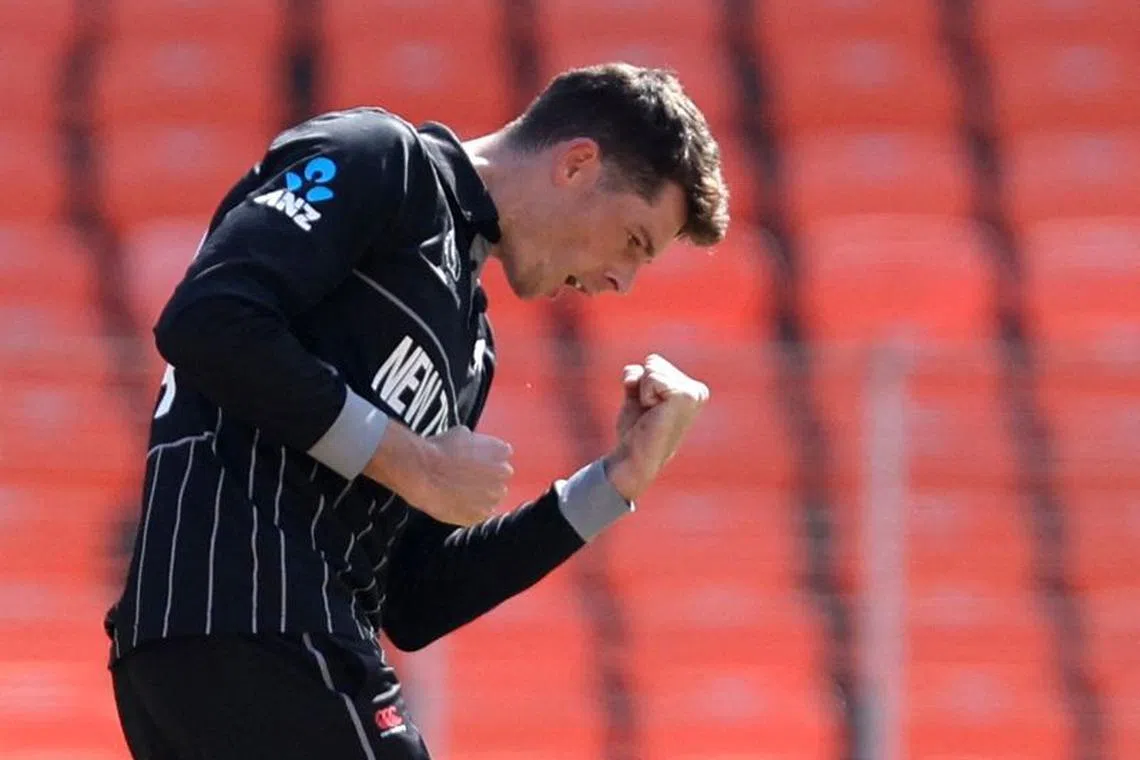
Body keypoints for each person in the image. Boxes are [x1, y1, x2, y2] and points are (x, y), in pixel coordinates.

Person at [104, 62, 729, 759]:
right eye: (634, 241)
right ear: (578, 164)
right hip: (261, 629)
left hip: (215, 658)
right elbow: (208, 319)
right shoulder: (382, 160)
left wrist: (615, 483)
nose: (622, 280)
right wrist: (408, 458)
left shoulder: (472, 343)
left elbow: (412, 599)